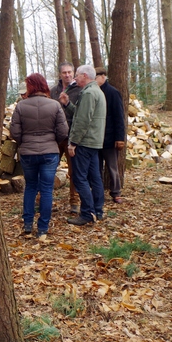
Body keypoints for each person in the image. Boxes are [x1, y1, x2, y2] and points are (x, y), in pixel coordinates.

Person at [10, 73, 68, 237]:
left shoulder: (21, 106)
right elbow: (63, 131)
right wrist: (52, 142)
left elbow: (14, 131)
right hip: (50, 152)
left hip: (28, 153)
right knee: (47, 190)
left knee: (30, 188)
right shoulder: (55, 105)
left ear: (30, 87)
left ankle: (28, 225)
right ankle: (43, 228)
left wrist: (24, 143)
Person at [59, 65, 106, 225]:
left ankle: (87, 213)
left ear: (84, 76)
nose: (74, 78)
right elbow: (82, 114)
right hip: (94, 142)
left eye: (77, 75)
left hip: (85, 142)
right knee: (95, 177)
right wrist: (67, 104)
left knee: (79, 178)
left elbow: (82, 121)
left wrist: (73, 143)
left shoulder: (88, 93)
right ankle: (98, 210)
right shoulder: (96, 91)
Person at [51, 62, 82, 214]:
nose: (67, 75)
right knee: (48, 169)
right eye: (64, 72)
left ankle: (74, 201)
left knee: (73, 171)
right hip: (55, 138)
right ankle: (43, 199)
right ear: (60, 74)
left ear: (73, 73)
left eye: (70, 72)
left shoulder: (80, 91)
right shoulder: (53, 91)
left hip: (72, 137)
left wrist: (68, 103)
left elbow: (81, 114)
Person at [95, 68, 126, 203]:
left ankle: (116, 192)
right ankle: (98, 191)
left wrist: (119, 138)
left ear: (103, 77)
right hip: (95, 138)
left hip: (110, 138)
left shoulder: (113, 92)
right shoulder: (93, 92)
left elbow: (119, 117)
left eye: (96, 76)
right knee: (96, 167)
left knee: (112, 167)